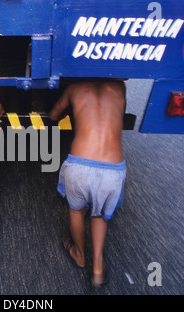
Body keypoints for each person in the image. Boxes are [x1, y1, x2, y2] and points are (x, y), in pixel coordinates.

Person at [49, 80, 127, 288]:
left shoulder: (74, 88)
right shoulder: (119, 87)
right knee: (99, 214)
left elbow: (54, 115)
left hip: (79, 166)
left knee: (76, 211)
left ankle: (79, 254)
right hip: (113, 170)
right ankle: (98, 266)